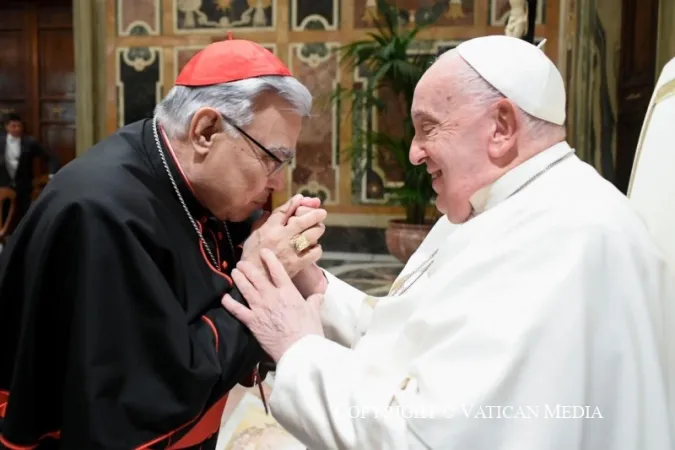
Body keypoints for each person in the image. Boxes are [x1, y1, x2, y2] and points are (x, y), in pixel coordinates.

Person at [223, 36, 675, 449]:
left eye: (428, 127)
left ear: (501, 126)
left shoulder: (564, 239)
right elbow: (410, 336)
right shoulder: (502, 204)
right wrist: (317, 288)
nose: (415, 152)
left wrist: (299, 349)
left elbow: (425, 437)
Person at [0, 39, 326, 449]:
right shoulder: (103, 214)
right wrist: (261, 273)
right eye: (271, 158)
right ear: (205, 130)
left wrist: (281, 249)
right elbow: (149, 393)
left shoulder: (184, 177)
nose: (278, 181)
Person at [0, 112, 59, 227]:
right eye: (13, 126)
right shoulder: (0, 142)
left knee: (23, 220)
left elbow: (51, 158)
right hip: (3, 188)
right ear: (6, 127)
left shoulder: (30, 142)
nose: (17, 129)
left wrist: (52, 175)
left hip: (24, 188)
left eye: (19, 126)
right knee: (4, 220)